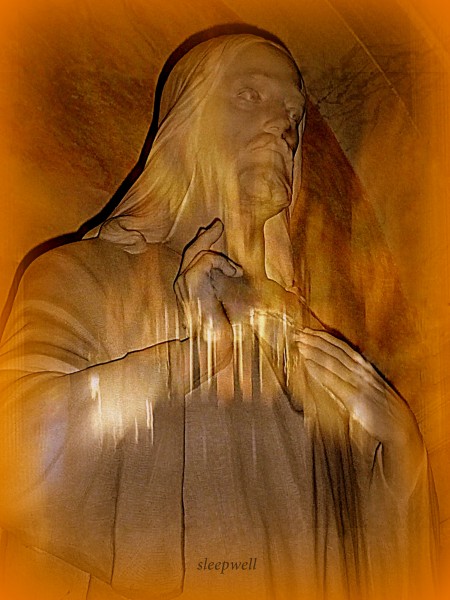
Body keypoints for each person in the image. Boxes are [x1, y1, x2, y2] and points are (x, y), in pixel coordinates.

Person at [0, 31, 438, 600]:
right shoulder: (86, 274)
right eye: (250, 96)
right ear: (190, 122)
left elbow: (374, 560)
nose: (284, 127)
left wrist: (401, 453)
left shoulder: (311, 343)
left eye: (294, 116)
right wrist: (185, 364)